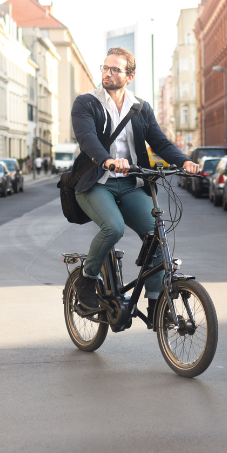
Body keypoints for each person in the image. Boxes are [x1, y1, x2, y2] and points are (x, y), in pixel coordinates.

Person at [70, 47, 199, 313]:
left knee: (156, 236)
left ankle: (155, 301)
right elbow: (87, 139)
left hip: (130, 184)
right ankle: (87, 278)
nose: (107, 73)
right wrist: (107, 159)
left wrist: (183, 160)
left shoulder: (140, 108)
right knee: (113, 228)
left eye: (115, 69)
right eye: (105, 68)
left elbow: (160, 142)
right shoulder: (86, 103)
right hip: (96, 183)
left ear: (129, 77)